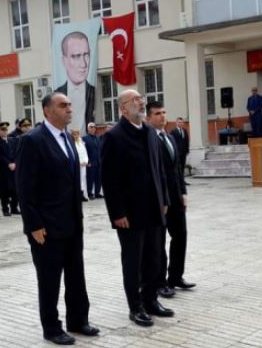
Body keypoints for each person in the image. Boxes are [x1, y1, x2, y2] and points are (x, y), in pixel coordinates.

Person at [16, 92, 97, 345]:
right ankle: (51, 327)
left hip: (72, 222)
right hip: (47, 227)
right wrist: (34, 225)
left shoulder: (69, 138)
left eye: (70, 104)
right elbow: (24, 187)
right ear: (47, 111)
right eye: (63, 105)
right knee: (50, 279)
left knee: (76, 275)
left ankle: (78, 320)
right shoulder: (33, 140)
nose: (69, 109)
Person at [101, 89, 171, 327]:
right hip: (129, 214)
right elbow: (109, 180)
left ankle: (151, 300)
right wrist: (117, 213)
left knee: (155, 258)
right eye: (135, 101)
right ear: (123, 108)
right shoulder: (114, 136)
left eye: (141, 99)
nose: (141, 103)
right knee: (133, 262)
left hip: (154, 209)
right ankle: (136, 306)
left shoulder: (151, 132)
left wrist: (164, 199)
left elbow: (159, 168)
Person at [146, 102, 195, 298]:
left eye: (164, 112)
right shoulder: (149, 140)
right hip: (160, 200)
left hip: (176, 196)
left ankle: (176, 276)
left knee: (180, 235)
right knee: (159, 242)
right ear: (148, 118)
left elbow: (177, 170)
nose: (162, 116)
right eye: (157, 113)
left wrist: (183, 193)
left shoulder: (170, 137)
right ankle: (160, 282)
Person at [55, 31, 96, 130]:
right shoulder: (56, 94)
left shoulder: (94, 91)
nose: (84, 64)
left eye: (86, 55)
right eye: (76, 56)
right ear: (64, 60)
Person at [0, 122, 18, 216]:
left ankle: (14, 208)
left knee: (15, 189)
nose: (4, 132)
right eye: (2, 130)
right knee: (4, 191)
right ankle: (5, 209)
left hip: (13, 168)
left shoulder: (12, 140)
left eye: (6, 130)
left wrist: (15, 163)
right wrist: (8, 164)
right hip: (3, 169)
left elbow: (16, 152)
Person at [82, 122, 103, 200]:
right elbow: (84, 151)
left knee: (98, 178)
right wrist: (87, 161)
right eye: (91, 127)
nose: (93, 128)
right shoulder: (84, 138)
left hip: (98, 161)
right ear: (88, 128)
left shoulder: (98, 138)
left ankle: (97, 193)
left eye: (94, 127)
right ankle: (90, 193)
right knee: (90, 178)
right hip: (90, 162)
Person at [72, 129, 90, 202]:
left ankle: (82, 195)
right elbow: (73, 154)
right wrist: (78, 162)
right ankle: (77, 196)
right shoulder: (72, 143)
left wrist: (86, 161)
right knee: (77, 180)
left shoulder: (81, 142)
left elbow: (85, 152)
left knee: (83, 180)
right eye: (74, 134)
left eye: (77, 134)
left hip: (83, 165)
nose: (76, 136)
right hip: (77, 165)